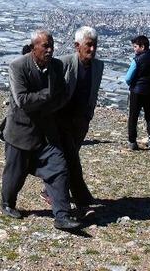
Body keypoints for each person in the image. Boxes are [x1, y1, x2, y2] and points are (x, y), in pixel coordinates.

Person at [0, 30, 81, 231]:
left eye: (51, 45)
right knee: (15, 174)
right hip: (20, 133)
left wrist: (51, 104)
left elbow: (62, 96)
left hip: (46, 133)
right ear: (33, 47)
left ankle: (62, 215)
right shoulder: (18, 66)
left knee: (58, 168)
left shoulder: (57, 66)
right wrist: (48, 96)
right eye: (45, 46)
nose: (50, 50)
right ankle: (7, 203)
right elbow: (22, 100)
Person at [55, 25, 104, 212]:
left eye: (95, 45)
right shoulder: (64, 63)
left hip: (82, 120)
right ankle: (64, 194)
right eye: (89, 45)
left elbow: (93, 91)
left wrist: (89, 115)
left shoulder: (98, 66)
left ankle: (71, 193)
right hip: (63, 119)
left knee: (73, 155)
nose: (92, 49)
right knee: (67, 158)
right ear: (77, 45)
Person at [123, 35, 150, 150]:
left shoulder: (137, 59)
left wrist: (133, 83)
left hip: (136, 91)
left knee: (133, 116)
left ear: (142, 46)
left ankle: (132, 141)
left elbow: (128, 78)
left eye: (135, 46)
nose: (134, 49)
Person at [0, 42, 34, 142]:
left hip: (18, 95)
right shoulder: (22, 65)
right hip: (19, 95)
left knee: (13, 113)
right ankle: (1, 132)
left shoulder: (23, 64)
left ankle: (1, 132)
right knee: (13, 114)